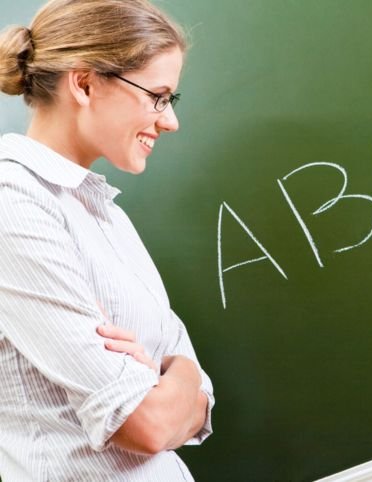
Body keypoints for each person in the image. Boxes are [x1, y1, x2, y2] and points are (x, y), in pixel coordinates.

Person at [0, 0, 214, 480]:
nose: (170, 121)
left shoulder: (105, 212)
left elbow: (199, 394)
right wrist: (176, 376)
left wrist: (177, 374)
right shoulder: (12, 203)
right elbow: (147, 425)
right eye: (158, 96)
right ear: (84, 83)